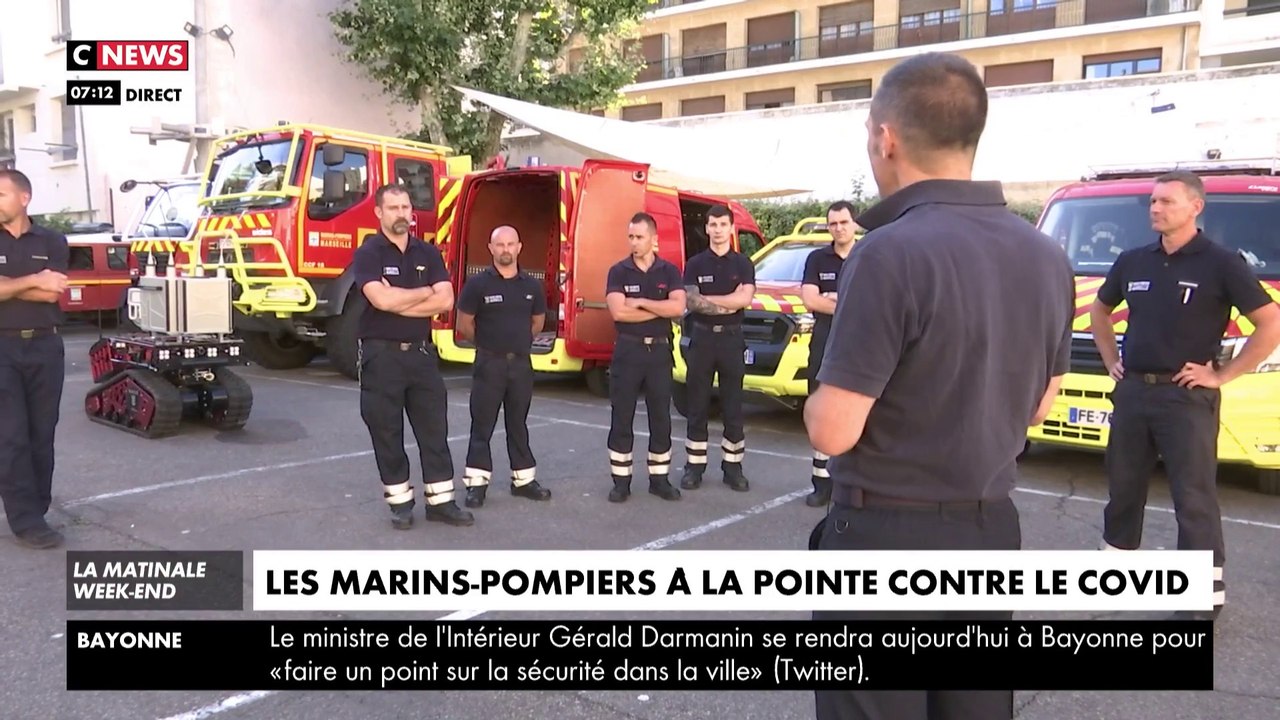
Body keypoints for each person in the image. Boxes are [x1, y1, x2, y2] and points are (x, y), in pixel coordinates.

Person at [804, 52, 1075, 720]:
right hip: (989, 528)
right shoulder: (1047, 254)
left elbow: (833, 428)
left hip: (885, 536)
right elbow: (1042, 402)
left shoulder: (888, 250)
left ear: (884, 136)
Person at [1090, 170, 1280, 621]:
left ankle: (1199, 596)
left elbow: (1270, 323)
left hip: (1185, 397)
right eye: (1153, 202)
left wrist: (1222, 375)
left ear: (1196, 207)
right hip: (1134, 391)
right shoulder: (1132, 261)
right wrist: (1108, 357)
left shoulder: (1221, 263)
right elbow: (1100, 310)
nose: (1156, 209)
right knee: (1123, 488)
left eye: (1166, 202)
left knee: (1192, 497)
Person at [352, 183, 473, 529]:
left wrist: (403, 298)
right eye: (394, 208)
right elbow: (381, 301)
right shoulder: (369, 253)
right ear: (378, 213)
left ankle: (441, 502)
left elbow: (446, 300)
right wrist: (423, 296)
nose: (402, 214)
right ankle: (401, 505)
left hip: (421, 357)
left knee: (434, 431)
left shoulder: (427, 253)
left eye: (406, 207)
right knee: (387, 433)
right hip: (381, 357)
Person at [455, 225, 552, 508]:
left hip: (520, 365)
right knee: (482, 425)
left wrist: (516, 343)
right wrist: (490, 344)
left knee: (518, 424)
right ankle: (476, 485)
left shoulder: (531, 286)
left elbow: (537, 323)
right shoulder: (477, 285)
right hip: (489, 364)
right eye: (500, 245)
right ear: (491, 248)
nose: (506, 250)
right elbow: (465, 324)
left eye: (511, 244)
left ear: (519, 247)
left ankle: (523, 481)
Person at [0, 169, 70, 550]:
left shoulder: (53, 240)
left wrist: (9, 287)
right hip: (2, 348)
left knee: (42, 434)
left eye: (1, 195)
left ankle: (37, 509)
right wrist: (32, 280)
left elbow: (53, 293)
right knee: (10, 436)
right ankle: (25, 520)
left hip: (45, 347)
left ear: (23, 198)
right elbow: (40, 287)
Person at [604, 212, 687, 503]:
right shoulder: (618, 271)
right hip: (628, 350)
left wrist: (640, 302)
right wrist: (659, 307)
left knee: (661, 417)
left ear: (654, 239)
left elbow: (678, 308)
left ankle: (659, 479)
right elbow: (619, 312)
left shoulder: (669, 271)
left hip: (660, 352)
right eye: (631, 237)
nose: (634, 242)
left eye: (639, 237)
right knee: (622, 416)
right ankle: (621, 481)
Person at [679, 205, 756, 492]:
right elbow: (692, 301)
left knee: (733, 405)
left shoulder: (743, 264)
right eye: (713, 224)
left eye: (723, 224)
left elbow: (745, 298)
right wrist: (728, 300)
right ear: (707, 228)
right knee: (697, 404)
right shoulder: (696, 263)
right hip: (702, 339)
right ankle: (694, 468)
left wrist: (712, 300)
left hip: (732, 340)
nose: (718, 229)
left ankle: (733, 468)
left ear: (731, 227)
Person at [798, 200, 859, 507]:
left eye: (843, 222)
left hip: (859, 344)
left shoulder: (868, 256)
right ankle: (821, 484)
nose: (838, 228)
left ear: (855, 224)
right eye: (833, 224)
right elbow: (810, 300)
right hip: (824, 342)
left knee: (856, 410)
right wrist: (848, 304)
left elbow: (875, 303)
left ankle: (851, 484)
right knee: (822, 408)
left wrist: (833, 299)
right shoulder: (817, 259)